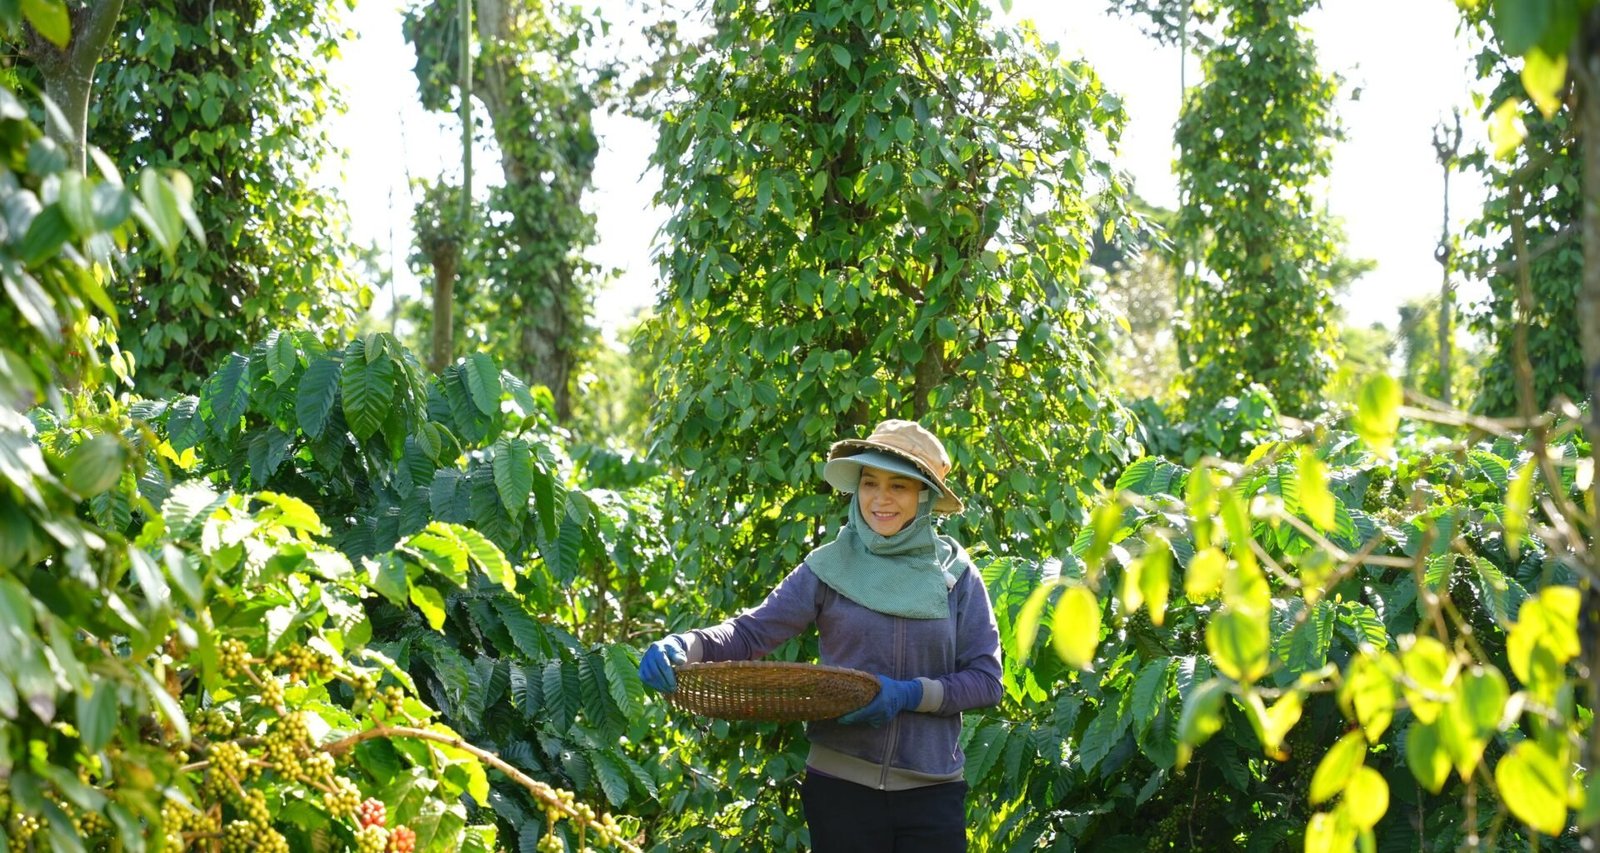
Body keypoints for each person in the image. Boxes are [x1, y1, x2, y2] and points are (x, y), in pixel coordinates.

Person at [639, 419, 1002, 852]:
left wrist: (908, 694)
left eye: (899, 487)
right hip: (840, 788)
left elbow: (985, 680)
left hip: (932, 792)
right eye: (870, 483)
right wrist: (685, 644)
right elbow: (750, 632)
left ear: (924, 496)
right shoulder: (827, 567)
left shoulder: (957, 577)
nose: (881, 499)